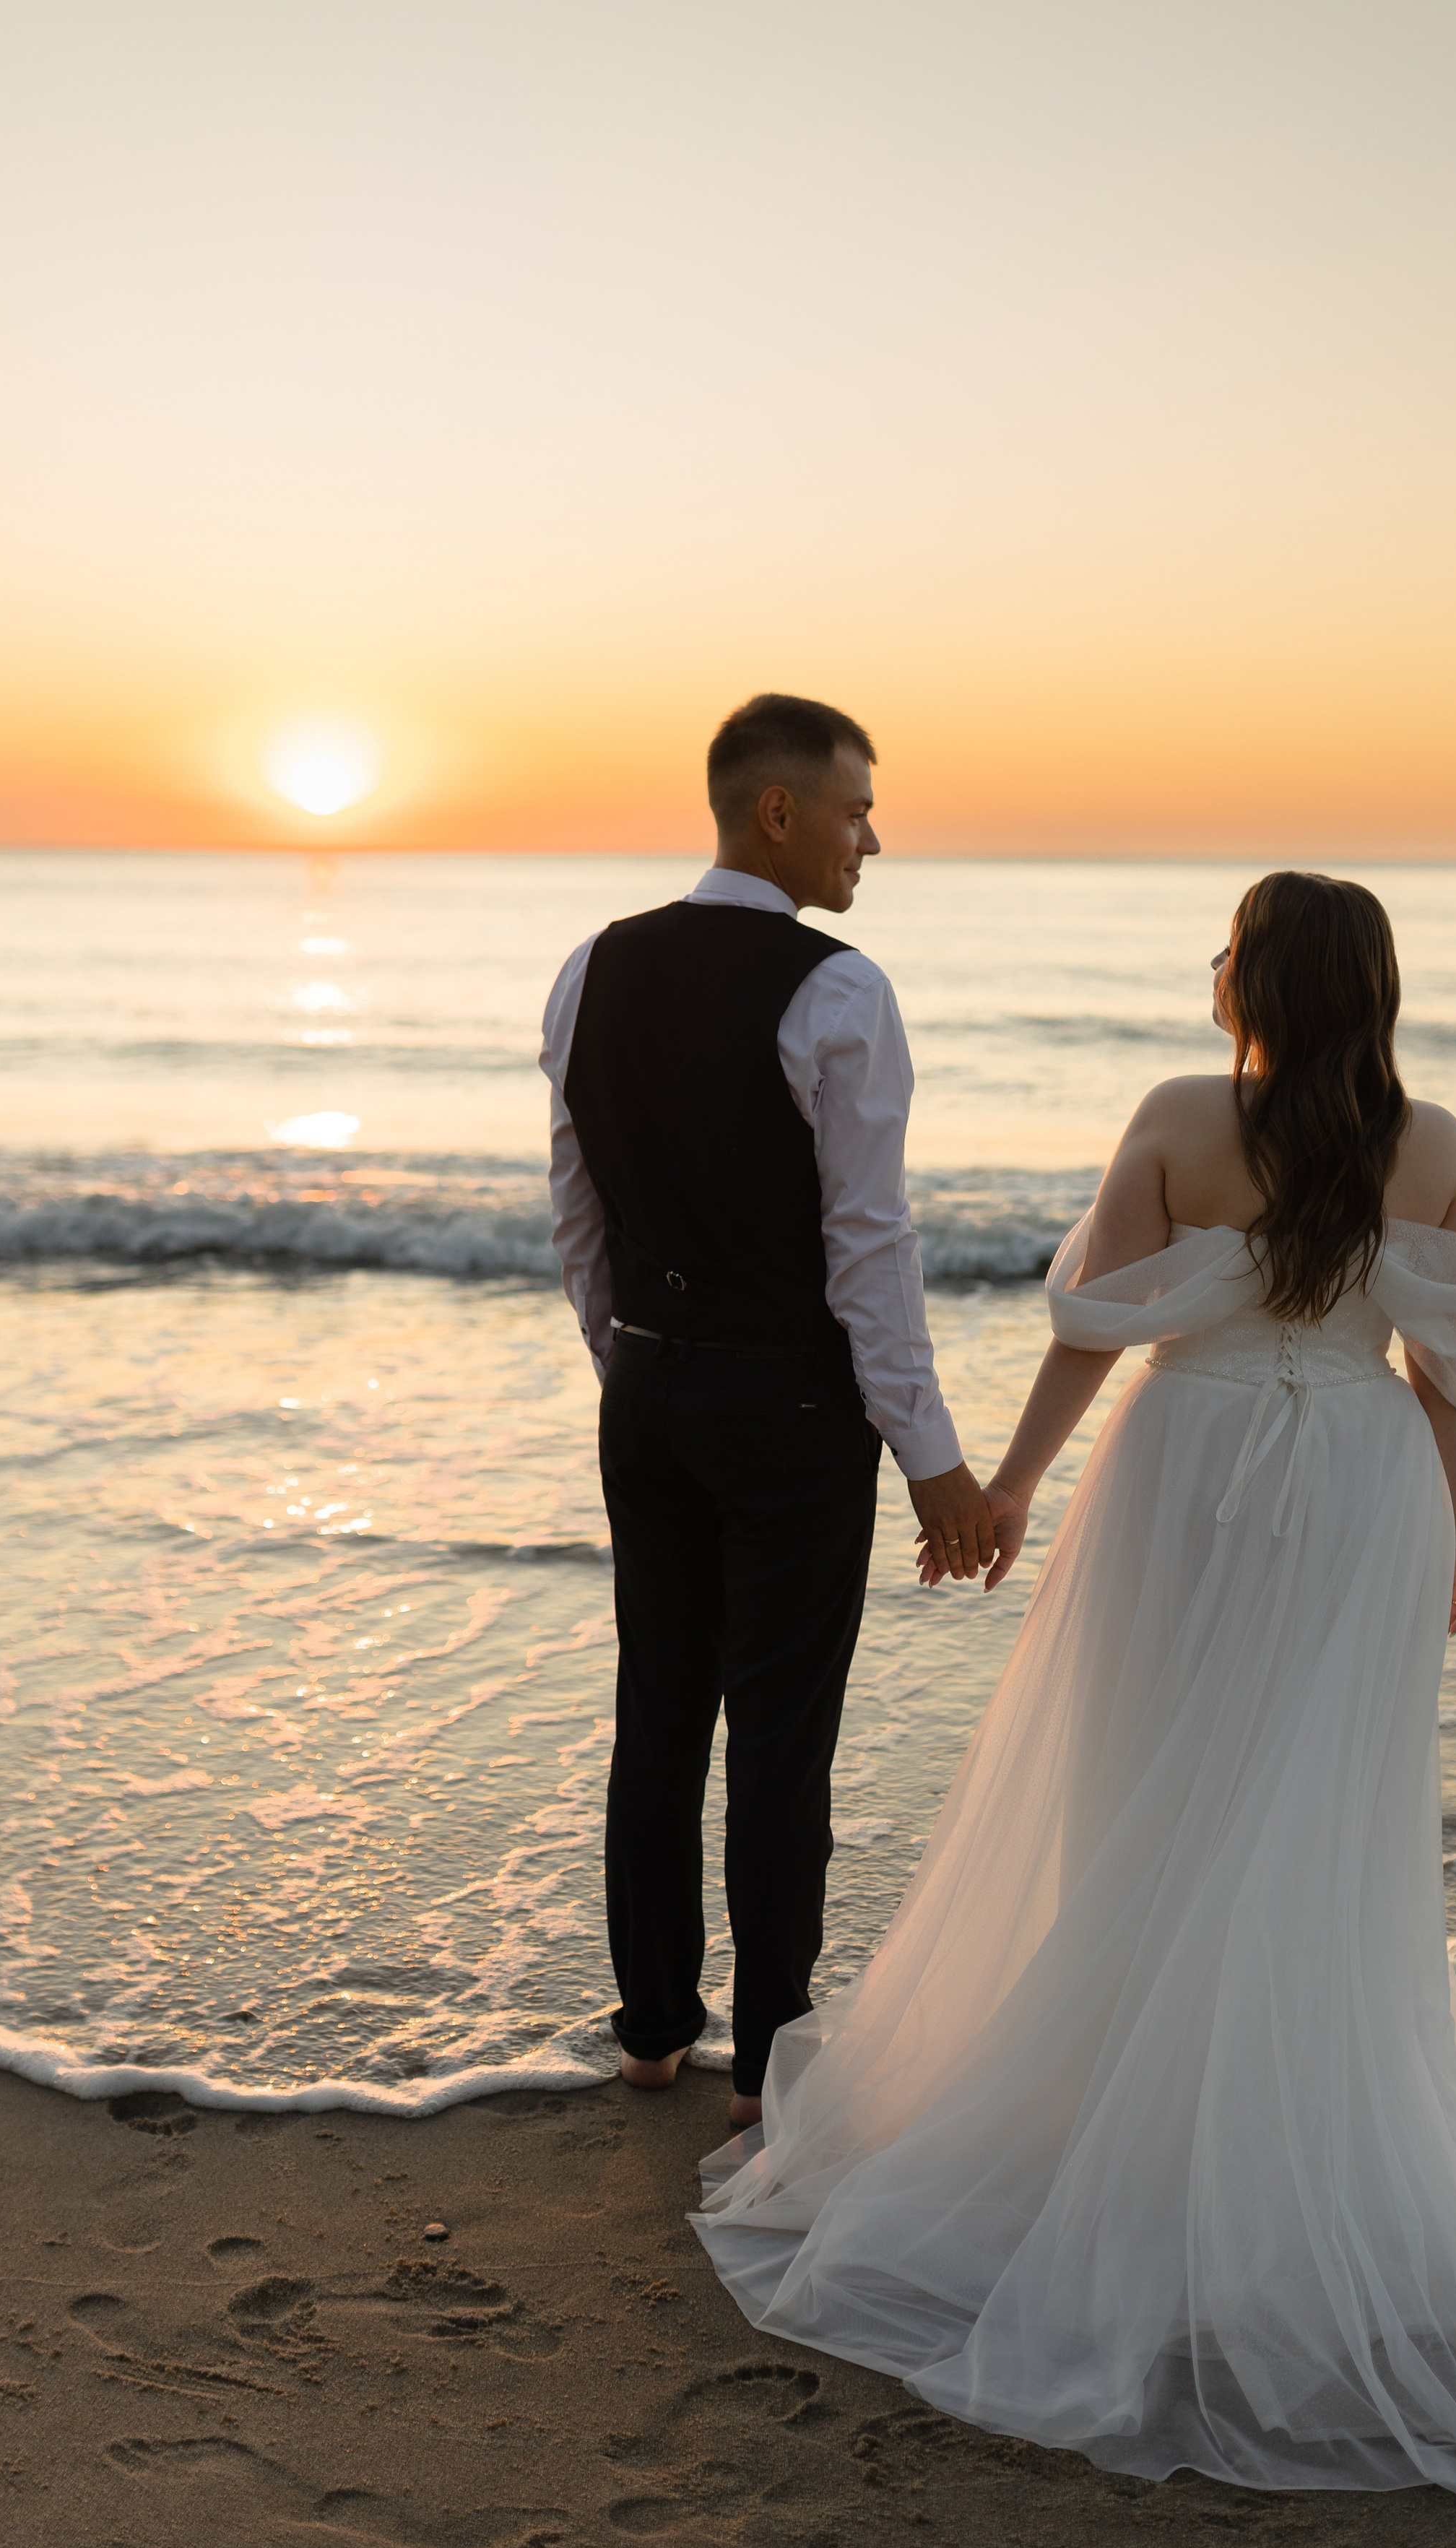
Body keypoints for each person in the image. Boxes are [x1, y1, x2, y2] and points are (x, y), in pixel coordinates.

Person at [692, 870, 1456, 2497]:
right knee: (1318, 1810)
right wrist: (1454, 1539)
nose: (1211, 965)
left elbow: (1092, 1332)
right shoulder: (1432, 1143)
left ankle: (1128, 2115)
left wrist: (1012, 1485)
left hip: (1185, 1465)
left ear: (1271, 979)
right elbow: (1448, 1375)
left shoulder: (1179, 1113)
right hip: (1363, 1490)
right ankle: (1277, 2119)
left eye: (1229, 948)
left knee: (1138, 1777)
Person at [540, 693, 994, 2131]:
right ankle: (774, 2058)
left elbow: (575, 1212)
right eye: (857, 808)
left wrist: (634, 1368)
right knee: (779, 1742)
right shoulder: (839, 989)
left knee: (656, 1717)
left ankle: (651, 2036)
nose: (873, 837)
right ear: (777, 810)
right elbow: (870, 1248)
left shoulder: (588, 967)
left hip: (650, 1385)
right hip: (790, 1407)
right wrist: (931, 1458)